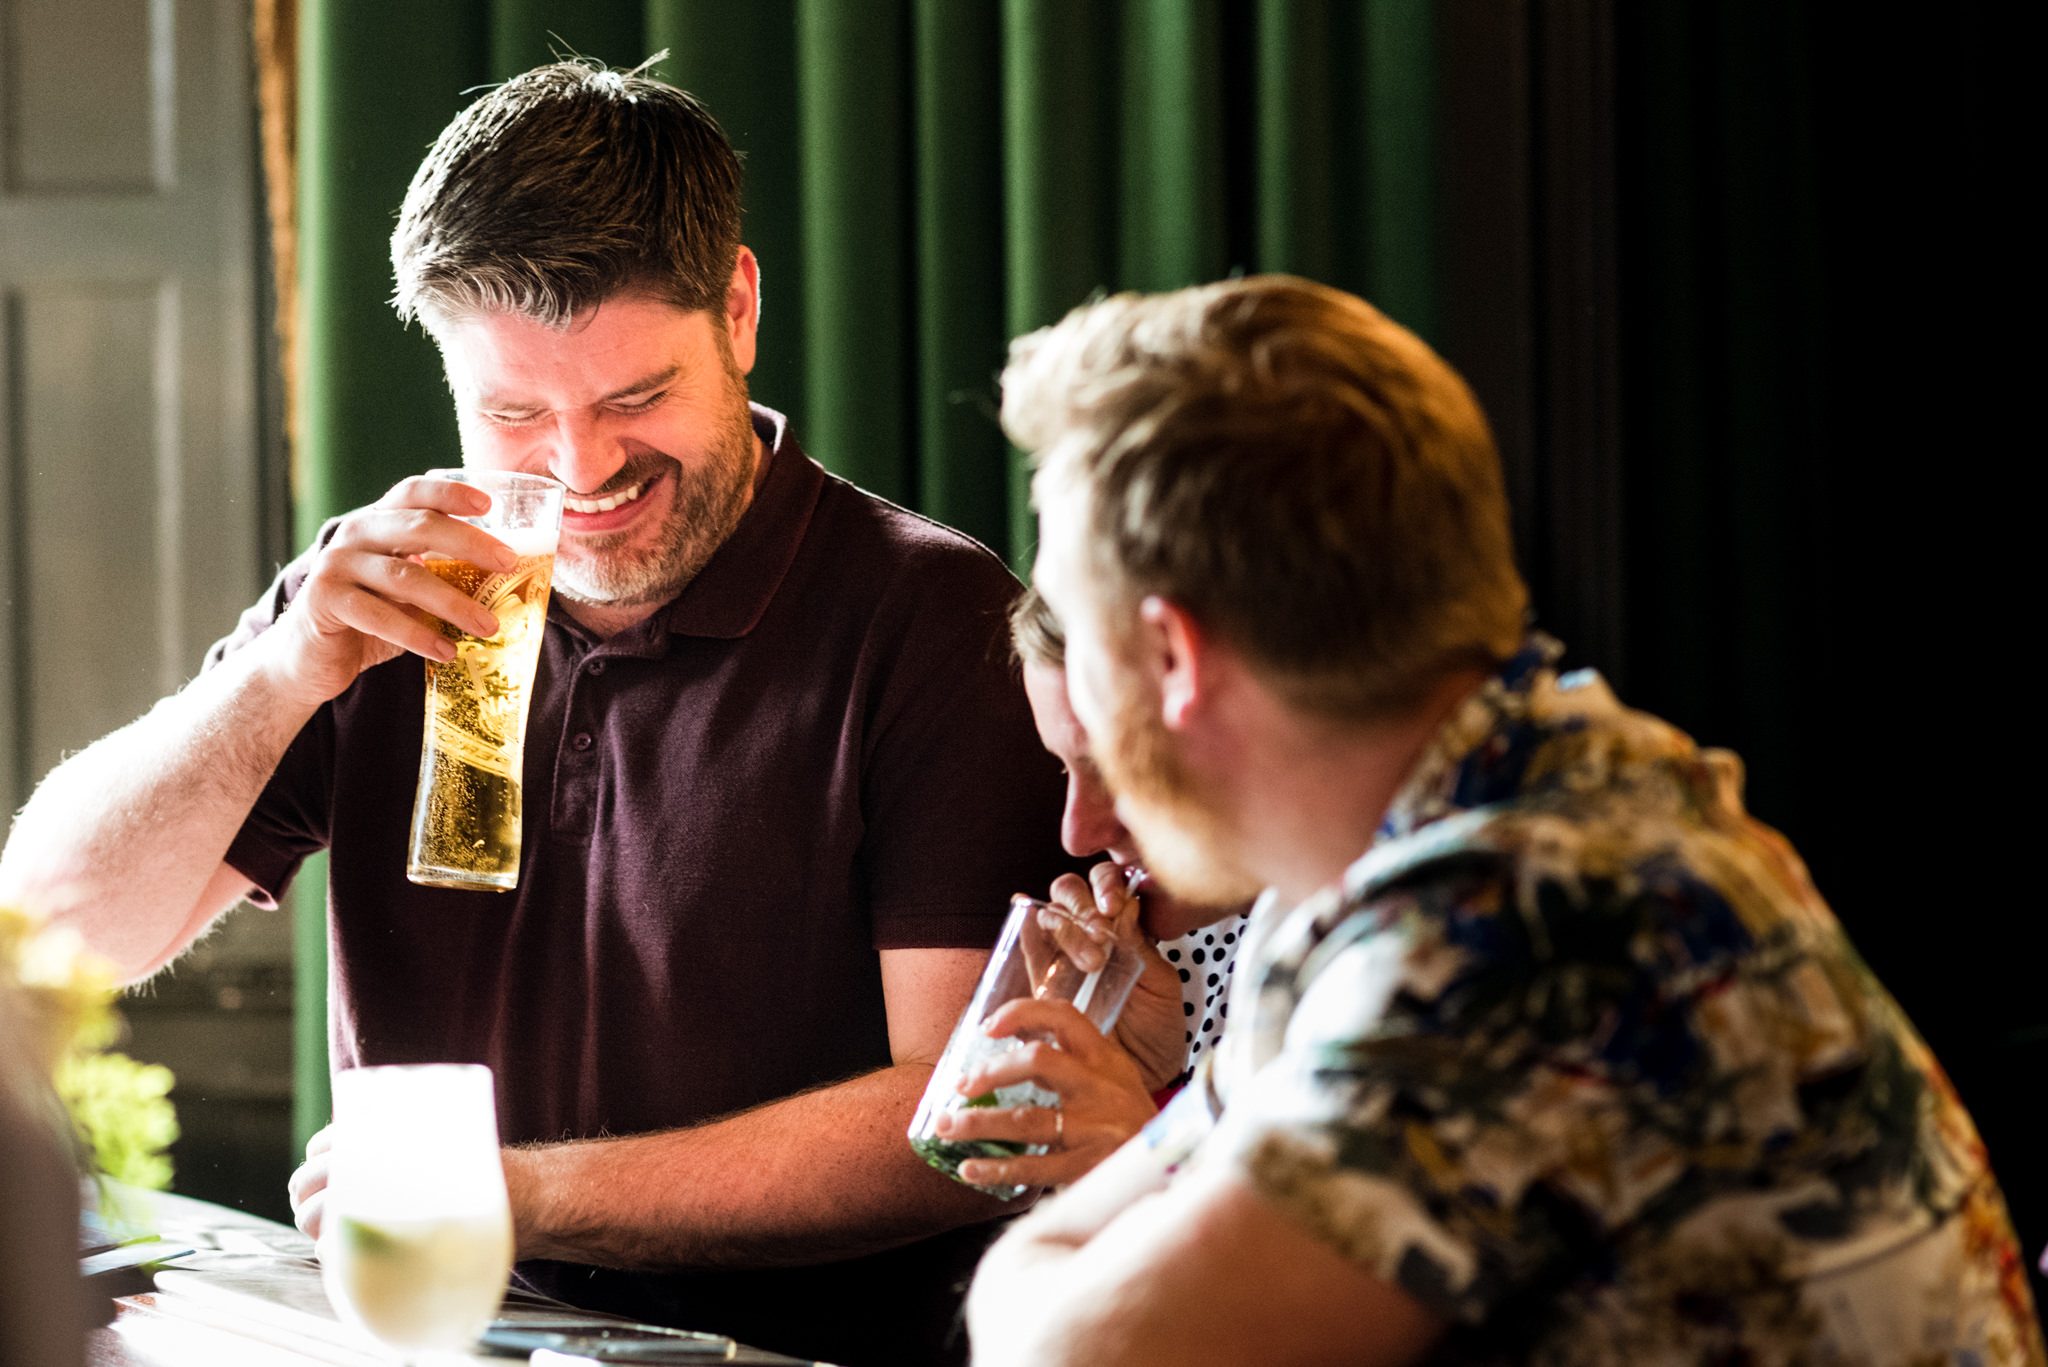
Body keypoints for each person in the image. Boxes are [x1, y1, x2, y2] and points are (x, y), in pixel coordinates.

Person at [0, 60, 1070, 1367]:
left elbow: (963, 1122)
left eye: (635, 398)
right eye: (512, 413)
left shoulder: (930, 617)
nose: (579, 468)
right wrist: (278, 674)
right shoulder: (378, 590)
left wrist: (524, 1191)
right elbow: (51, 933)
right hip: (427, 1343)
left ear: (737, 309)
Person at [964, 276, 2046, 1365]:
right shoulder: (1515, 797)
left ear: (1170, 656)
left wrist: (1036, 1269)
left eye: (1083, 642)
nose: (1076, 827)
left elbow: (1062, 1352)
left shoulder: (1517, 927)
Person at [930, 590, 1253, 1193]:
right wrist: (1143, 1086)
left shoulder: (1398, 931)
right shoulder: (1168, 958)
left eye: (1113, 767)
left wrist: (1142, 1149)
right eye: (1064, 768)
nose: (1077, 835)